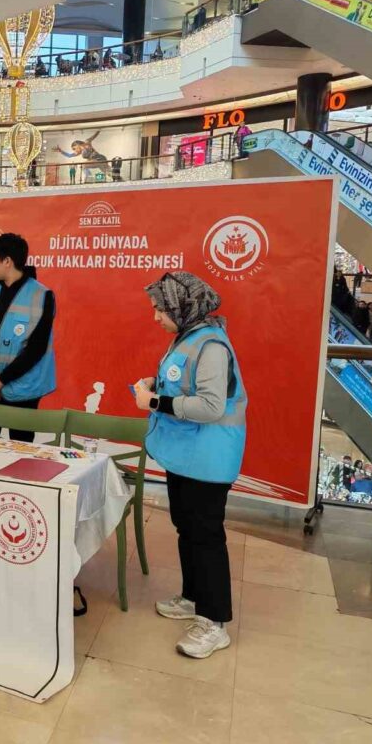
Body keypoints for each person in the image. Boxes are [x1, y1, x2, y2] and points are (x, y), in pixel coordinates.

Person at [134, 271, 246, 660]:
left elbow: (212, 407)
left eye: (160, 309)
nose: (156, 316)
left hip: (208, 459)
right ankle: (194, 597)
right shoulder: (188, 337)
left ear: (182, 307)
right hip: (186, 455)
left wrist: (154, 402)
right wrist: (157, 385)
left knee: (206, 535)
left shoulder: (212, 345)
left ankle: (214, 623)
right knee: (187, 528)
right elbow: (185, 387)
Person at [0, 233, 56, 442]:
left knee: (21, 453)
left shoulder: (41, 295)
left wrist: (1, 380)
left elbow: (37, 348)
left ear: (7, 261)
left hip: (22, 390)